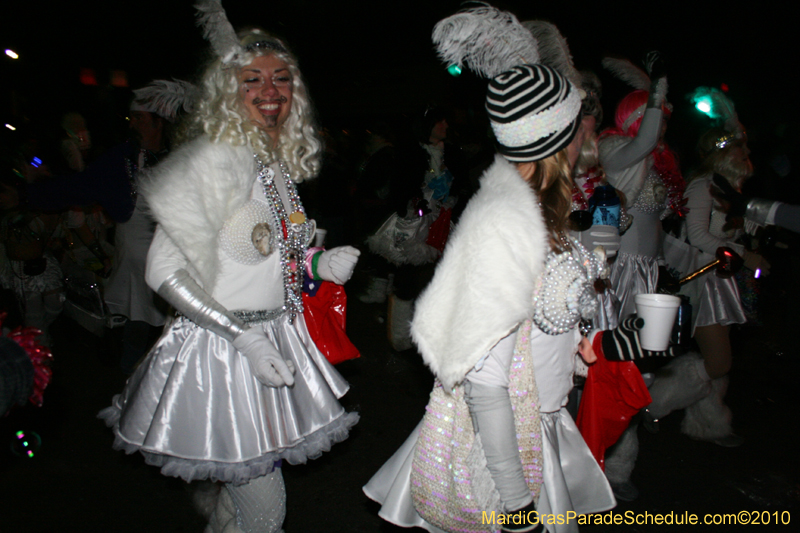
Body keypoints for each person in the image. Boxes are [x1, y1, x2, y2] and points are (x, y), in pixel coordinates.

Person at [364, 6, 626, 532]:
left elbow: (542, 315)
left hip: (543, 423)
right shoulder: (506, 225)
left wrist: (582, 346)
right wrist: (516, 501)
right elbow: (485, 381)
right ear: (561, 135)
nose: (587, 134)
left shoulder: (545, 211)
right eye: (580, 122)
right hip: (505, 448)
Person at [99, 3, 359, 532]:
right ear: (228, 91)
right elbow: (162, 271)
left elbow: (265, 251)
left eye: (282, 79)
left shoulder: (272, 165)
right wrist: (244, 339)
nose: (271, 90)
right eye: (252, 79)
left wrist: (318, 264)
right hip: (224, 351)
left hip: (276, 340)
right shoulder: (215, 161)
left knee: (242, 499)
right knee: (266, 511)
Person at [647, 121, 767, 447]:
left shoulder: (730, 189)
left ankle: (709, 423)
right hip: (702, 281)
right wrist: (745, 253)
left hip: (722, 281)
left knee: (716, 356)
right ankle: (649, 403)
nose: (749, 153)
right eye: (742, 147)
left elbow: (726, 233)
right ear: (724, 152)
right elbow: (698, 235)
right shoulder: (703, 186)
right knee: (718, 361)